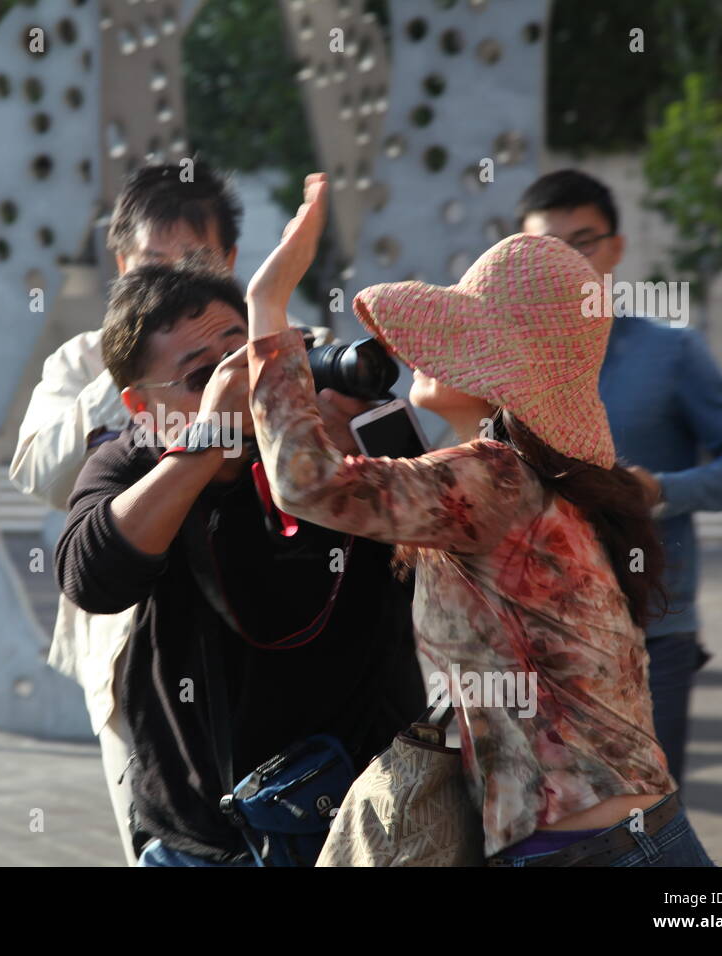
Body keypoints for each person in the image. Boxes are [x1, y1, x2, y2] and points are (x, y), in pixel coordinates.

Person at [241, 172, 714, 866]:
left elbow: (303, 484)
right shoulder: (539, 478)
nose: (425, 351)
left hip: (587, 851)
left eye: (460, 337)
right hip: (630, 835)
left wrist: (266, 303)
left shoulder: (494, 477)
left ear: (502, 372)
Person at [10, 161, 335, 863]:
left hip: (273, 650)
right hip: (128, 653)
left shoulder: (276, 341)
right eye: (152, 264)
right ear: (120, 261)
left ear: (233, 262)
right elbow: (37, 471)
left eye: (195, 262)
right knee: (159, 820)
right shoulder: (83, 362)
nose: (171, 278)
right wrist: (141, 372)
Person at [55, 261, 425, 866]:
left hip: (369, 817)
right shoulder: (133, 461)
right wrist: (207, 441)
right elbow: (90, 579)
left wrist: (361, 461)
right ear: (141, 406)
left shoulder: (334, 429)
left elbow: (449, 561)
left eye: (248, 356)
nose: (245, 385)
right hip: (206, 833)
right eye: (205, 376)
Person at [516, 170, 722, 786]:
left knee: (652, 818)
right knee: (554, 827)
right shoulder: (507, 364)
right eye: (546, 249)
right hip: (535, 637)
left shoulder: (671, 352)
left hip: (653, 630)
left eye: (583, 242)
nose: (567, 263)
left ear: (617, 247)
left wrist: (662, 490)